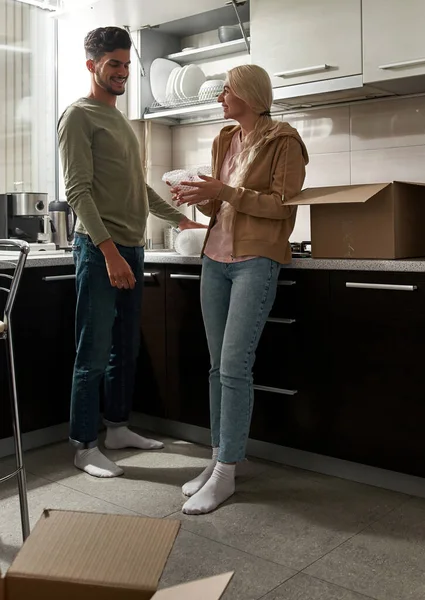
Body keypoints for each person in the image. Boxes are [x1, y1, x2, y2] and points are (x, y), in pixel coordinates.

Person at [58, 26, 204, 478]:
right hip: (99, 249)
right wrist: (109, 253)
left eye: (125, 64)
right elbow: (78, 191)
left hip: (131, 247)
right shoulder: (78, 116)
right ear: (92, 65)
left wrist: (179, 219)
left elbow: (136, 189)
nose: (121, 72)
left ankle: (117, 427)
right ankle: (84, 445)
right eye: (113, 64)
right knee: (94, 350)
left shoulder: (121, 120)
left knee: (125, 347)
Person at [170, 64, 309, 514]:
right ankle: (216, 464)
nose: (219, 97)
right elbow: (219, 201)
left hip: (255, 262)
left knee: (233, 366)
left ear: (248, 93)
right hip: (215, 259)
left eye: (225, 90)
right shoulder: (223, 139)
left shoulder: (284, 141)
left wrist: (224, 191)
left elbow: (281, 207)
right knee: (217, 368)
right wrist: (198, 195)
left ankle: (227, 472)